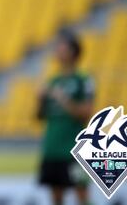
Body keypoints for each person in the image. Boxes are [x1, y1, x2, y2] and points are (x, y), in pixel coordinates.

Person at [37, 31, 95, 205]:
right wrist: (40, 100)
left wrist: (62, 99)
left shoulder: (83, 80)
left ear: (73, 51)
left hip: (75, 151)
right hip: (52, 149)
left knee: (82, 195)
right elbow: (40, 116)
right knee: (56, 198)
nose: (57, 50)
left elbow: (86, 113)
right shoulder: (52, 81)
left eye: (62, 46)